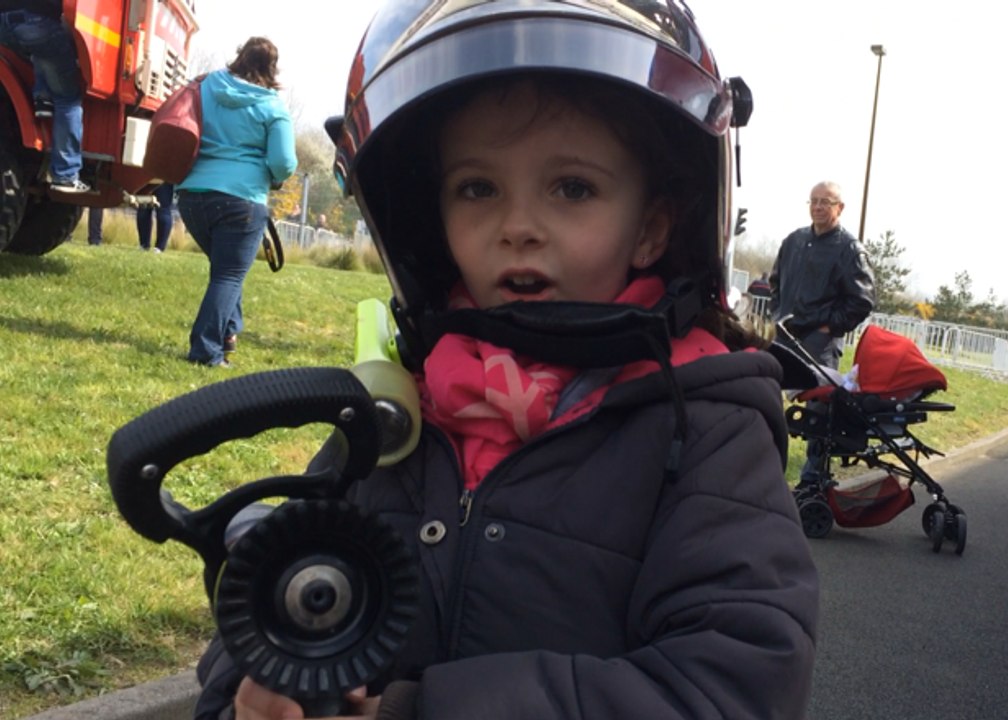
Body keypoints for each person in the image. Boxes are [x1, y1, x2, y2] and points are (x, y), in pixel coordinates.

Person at [192, 2, 818, 719]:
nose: (517, 227)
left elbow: (736, 684)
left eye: (572, 188)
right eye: (478, 188)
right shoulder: (399, 410)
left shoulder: (705, 427)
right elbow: (260, 614)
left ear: (649, 230)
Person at [177, 37, 296, 368]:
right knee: (228, 275)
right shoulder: (273, 107)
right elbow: (284, 162)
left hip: (192, 196)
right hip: (241, 201)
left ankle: (229, 334)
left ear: (239, 56)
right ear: (272, 68)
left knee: (226, 270)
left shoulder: (206, 85)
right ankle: (205, 350)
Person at [770, 180, 875, 486]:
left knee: (820, 416)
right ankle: (768, 472)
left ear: (839, 208)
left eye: (825, 202)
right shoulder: (793, 241)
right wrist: (779, 314)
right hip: (784, 339)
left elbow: (862, 301)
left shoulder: (850, 250)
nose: (817, 207)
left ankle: (813, 481)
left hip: (821, 343)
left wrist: (827, 326)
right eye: (813, 201)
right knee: (768, 404)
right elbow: (775, 283)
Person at [0, 0, 88, 192]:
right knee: (68, 99)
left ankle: (42, 97)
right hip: (39, 22)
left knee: (40, 49)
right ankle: (65, 175)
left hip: (5, 23)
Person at [136, 183, 173, 252]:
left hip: (145, 176)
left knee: (143, 208)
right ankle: (159, 247)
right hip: (165, 178)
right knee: (163, 210)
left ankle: (144, 245)